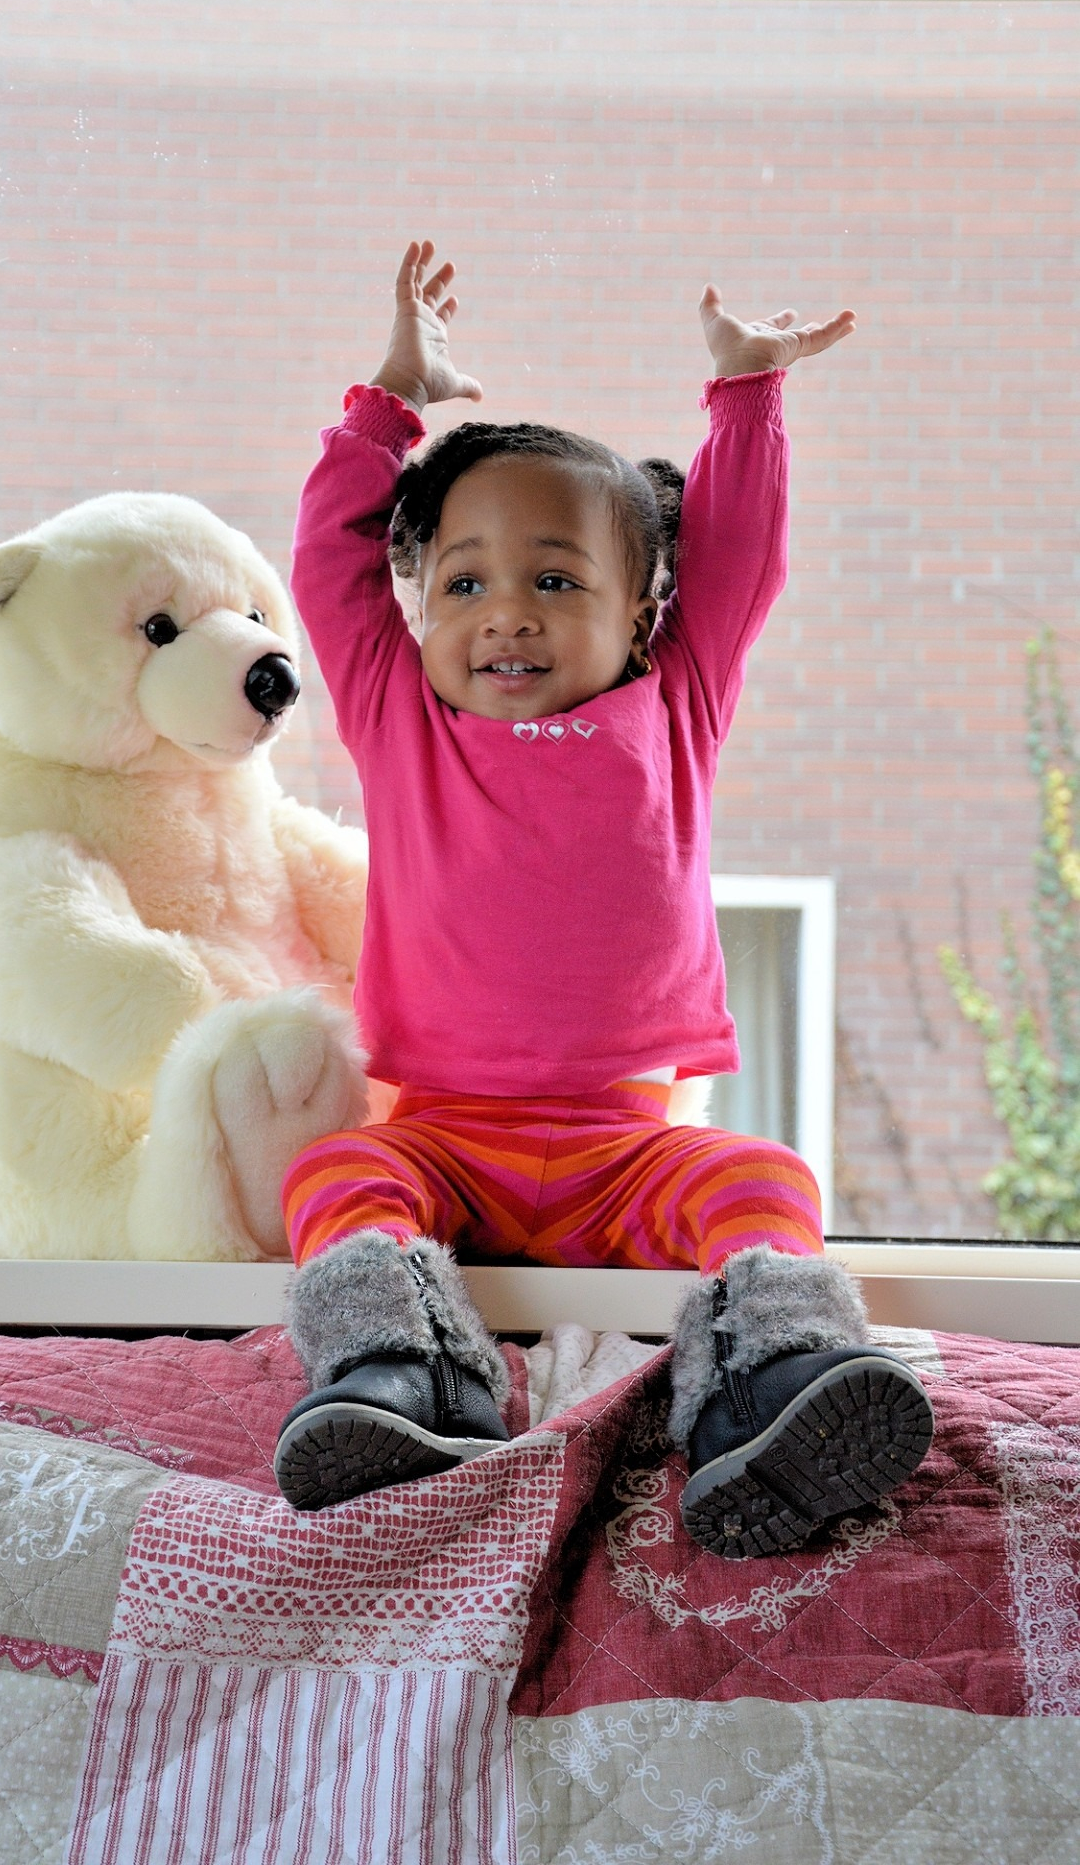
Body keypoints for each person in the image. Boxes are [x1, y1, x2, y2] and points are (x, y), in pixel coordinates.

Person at [272, 241, 933, 1557]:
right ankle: (404, 1376)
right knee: (337, 1172)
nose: (506, 614)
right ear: (420, 608)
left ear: (642, 617)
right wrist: (386, 409)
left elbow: (739, 561)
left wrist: (746, 399)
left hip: (626, 1150)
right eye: (464, 582)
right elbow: (326, 570)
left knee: (764, 1176)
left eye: (557, 580)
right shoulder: (399, 712)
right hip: (445, 1139)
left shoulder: (676, 702)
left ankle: (769, 1389)